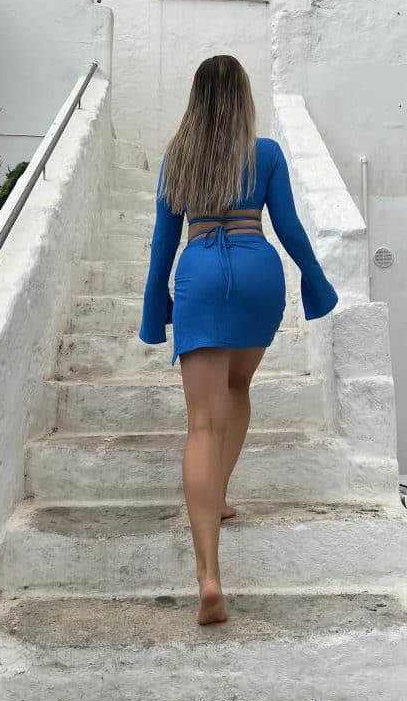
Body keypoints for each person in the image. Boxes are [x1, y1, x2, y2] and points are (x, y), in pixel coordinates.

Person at [139, 55, 338, 625]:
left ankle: (208, 578)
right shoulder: (266, 153)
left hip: (201, 269)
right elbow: (290, 226)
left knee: (202, 421)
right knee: (239, 384)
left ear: (196, 99)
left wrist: (156, 311)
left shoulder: (178, 158)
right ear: (244, 100)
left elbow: (161, 243)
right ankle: (219, 494)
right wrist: (315, 281)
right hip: (258, 271)